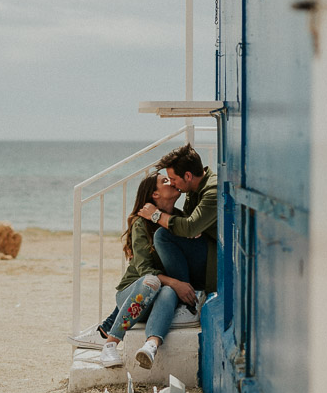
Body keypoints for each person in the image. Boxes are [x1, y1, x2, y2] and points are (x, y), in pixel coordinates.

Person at [67, 173, 198, 369]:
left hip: (160, 299)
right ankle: (110, 344)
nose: (171, 182)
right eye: (165, 181)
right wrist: (175, 282)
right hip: (134, 292)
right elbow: (145, 269)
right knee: (152, 282)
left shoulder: (178, 219)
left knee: (168, 291)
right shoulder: (141, 223)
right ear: (155, 194)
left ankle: (150, 346)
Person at [138, 144, 218, 296]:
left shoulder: (212, 190)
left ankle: (186, 301)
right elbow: (189, 227)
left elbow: (189, 228)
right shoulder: (193, 189)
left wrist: (156, 215)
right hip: (206, 251)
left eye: (173, 179)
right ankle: (180, 290)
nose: (172, 183)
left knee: (163, 236)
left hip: (218, 259)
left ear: (187, 176)